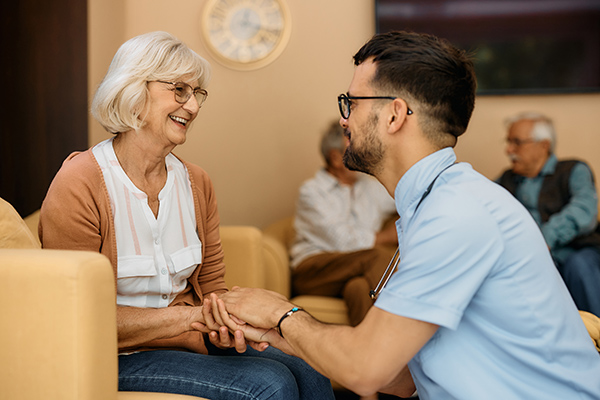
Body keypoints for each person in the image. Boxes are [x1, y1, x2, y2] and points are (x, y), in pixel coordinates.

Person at [212, 31, 600, 399]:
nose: (344, 120)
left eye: (351, 103)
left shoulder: (456, 213)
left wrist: (282, 313)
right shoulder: (436, 203)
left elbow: (366, 370)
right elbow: (399, 380)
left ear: (394, 115)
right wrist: (282, 335)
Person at [39, 31, 334, 400]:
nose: (192, 106)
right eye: (179, 90)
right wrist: (191, 318)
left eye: (197, 94)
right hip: (114, 355)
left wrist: (233, 323)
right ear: (133, 90)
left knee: (310, 364)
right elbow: (76, 314)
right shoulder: (80, 182)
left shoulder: (196, 182)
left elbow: (212, 288)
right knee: (270, 384)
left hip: (191, 341)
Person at [290, 120, 397, 328]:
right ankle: (405, 326)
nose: (365, 153)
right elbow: (343, 242)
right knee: (378, 256)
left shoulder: (370, 188)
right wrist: (388, 237)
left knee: (358, 288)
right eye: (356, 147)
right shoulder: (312, 191)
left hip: (354, 269)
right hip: (314, 269)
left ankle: (368, 358)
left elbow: (408, 198)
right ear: (336, 158)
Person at [496, 112, 600, 316]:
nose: (509, 150)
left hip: (577, 251)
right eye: (508, 142)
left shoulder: (574, 169)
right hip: (533, 256)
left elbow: (584, 210)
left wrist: (544, 238)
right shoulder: (505, 180)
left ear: (543, 145)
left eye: (517, 142)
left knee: (579, 266)